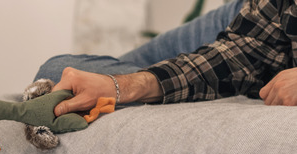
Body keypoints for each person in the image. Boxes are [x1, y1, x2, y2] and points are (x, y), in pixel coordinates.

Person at [35, 0, 297, 118]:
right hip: (257, 21)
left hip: (268, 53)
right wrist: (122, 87)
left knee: (58, 73)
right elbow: (242, 53)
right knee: (61, 74)